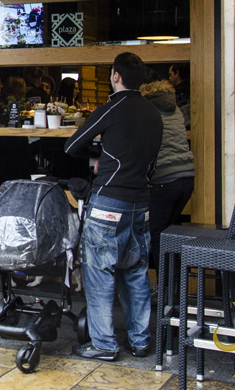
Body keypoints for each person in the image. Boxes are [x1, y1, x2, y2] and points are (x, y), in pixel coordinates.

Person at [64, 52, 163, 361]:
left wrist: (99, 153)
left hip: (109, 200)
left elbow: (71, 145)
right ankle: (140, 340)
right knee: (135, 271)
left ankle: (104, 344)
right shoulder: (154, 112)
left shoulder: (113, 107)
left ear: (116, 76)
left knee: (99, 271)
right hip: (141, 203)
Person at [140, 73, 194, 275]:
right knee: (169, 232)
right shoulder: (176, 110)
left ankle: (164, 287)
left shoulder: (148, 111)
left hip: (164, 180)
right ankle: (174, 286)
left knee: (157, 234)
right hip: (187, 177)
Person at [168, 63, 191, 129]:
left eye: (170, 74)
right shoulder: (192, 89)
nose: (169, 78)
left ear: (177, 73)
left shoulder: (176, 93)